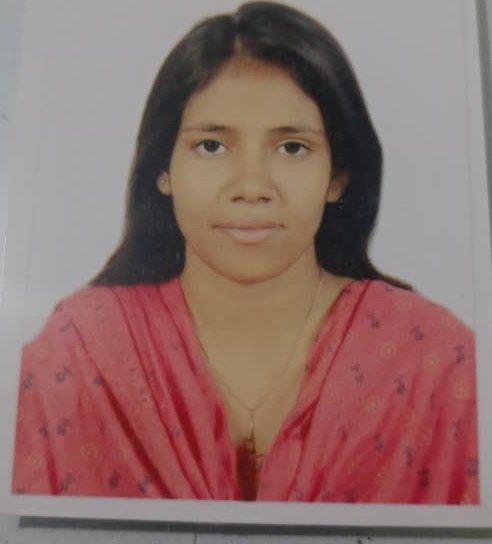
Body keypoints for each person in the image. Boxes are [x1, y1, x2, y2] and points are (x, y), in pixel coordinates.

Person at [12, 1, 478, 503]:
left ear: (338, 175)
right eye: (212, 146)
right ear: (163, 169)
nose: (252, 187)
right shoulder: (81, 352)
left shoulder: (432, 361)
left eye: (292, 147)